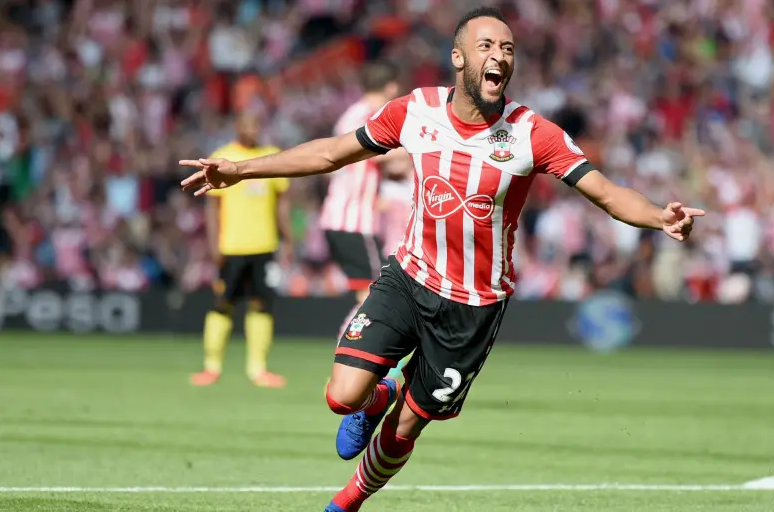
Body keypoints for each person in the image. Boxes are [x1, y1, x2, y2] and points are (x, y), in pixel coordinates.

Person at [179, 7, 705, 511]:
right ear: (458, 58)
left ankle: (346, 503)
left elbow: (607, 193)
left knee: (407, 427)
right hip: (408, 278)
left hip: (473, 308)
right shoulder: (416, 111)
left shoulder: (532, 133)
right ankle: (380, 392)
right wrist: (242, 171)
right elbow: (330, 153)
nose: (499, 55)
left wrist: (659, 216)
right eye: (486, 45)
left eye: (508, 48)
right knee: (342, 396)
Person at [321, 61, 413, 383]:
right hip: (354, 220)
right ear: (391, 87)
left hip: (339, 216)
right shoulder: (369, 117)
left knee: (370, 292)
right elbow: (380, 155)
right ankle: (347, 359)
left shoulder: (349, 115)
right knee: (374, 296)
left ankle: (353, 364)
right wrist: (419, 150)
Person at [190, 113, 293, 389]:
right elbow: (212, 207)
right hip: (231, 246)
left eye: (257, 124)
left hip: (264, 245)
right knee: (222, 303)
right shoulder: (222, 157)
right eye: (248, 124)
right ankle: (211, 366)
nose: (253, 129)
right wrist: (213, 243)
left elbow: (282, 203)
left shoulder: (272, 157)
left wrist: (288, 240)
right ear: (237, 126)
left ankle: (258, 369)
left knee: (261, 304)